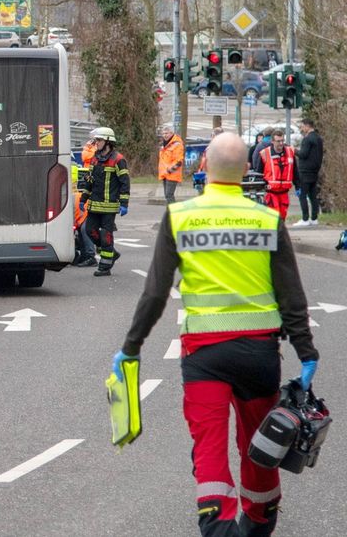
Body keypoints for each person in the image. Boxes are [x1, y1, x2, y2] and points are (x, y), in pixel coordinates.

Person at [112, 132, 318, 537]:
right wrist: (306, 352)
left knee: (209, 445)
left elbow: (155, 293)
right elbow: (291, 295)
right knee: (259, 445)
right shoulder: (267, 219)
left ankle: (220, 525)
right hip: (260, 355)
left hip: (204, 356)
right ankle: (259, 520)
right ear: (246, 171)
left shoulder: (180, 217)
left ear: (204, 166)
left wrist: (131, 347)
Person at [78, 127, 129, 276]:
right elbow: (90, 181)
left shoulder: (118, 160)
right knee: (90, 231)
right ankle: (111, 252)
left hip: (109, 206)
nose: (96, 143)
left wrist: (124, 203)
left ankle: (105, 267)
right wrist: (83, 199)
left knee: (106, 236)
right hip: (94, 204)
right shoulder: (95, 158)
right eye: (96, 140)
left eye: (99, 140)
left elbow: (125, 182)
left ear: (108, 141)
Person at [258, 132, 296, 220]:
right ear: (272, 141)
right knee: (274, 218)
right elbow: (259, 172)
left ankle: (280, 228)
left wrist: (298, 185)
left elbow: (295, 170)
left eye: (282, 140)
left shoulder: (289, 152)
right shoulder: (265, 153)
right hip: (271, 193)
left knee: (282, 217)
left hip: (284, 193)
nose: (281, 143)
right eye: (278, 141)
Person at [295, 118, 323, 227]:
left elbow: (303, 154)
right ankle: (314, 218)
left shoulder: (307, 139)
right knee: (312, 196)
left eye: (302, 126)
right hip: (314, 171)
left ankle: (305, 219)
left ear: (307, 126)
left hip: (305, 171)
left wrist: (294, 150)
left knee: (302, 195)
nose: (302, 128)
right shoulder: (318, 138)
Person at [158, 125, 184, 203]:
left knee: (169, 195)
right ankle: (171, 210)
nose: (165, 135)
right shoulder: (164, 144)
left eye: (166, 133)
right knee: (167, 195)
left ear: (172, 133)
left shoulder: (177, 144)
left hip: (172, 174)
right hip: (165, 174)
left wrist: (169, 170)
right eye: (163, 133)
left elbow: (179, 161)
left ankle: (173, 210)